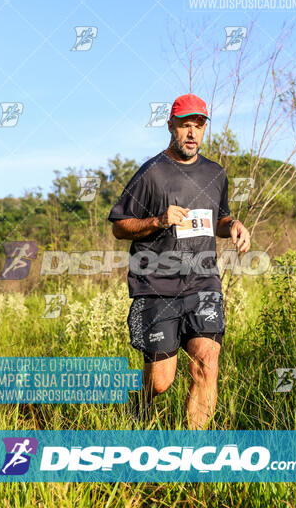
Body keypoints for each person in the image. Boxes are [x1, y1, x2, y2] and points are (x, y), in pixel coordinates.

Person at [109, 93, 251, 429]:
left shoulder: (215, 174)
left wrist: (233, 226)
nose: (191, 133)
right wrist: (157, 220)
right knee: (161, 381)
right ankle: (140, 408)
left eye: (198, 126)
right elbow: (119, 226)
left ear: (204, 129)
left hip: (203, 283)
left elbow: (219, 218)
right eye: (185, 125)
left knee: (206, 363)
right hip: (157, 286)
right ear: (171, 126)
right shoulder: (152, 173)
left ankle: (192, 454)